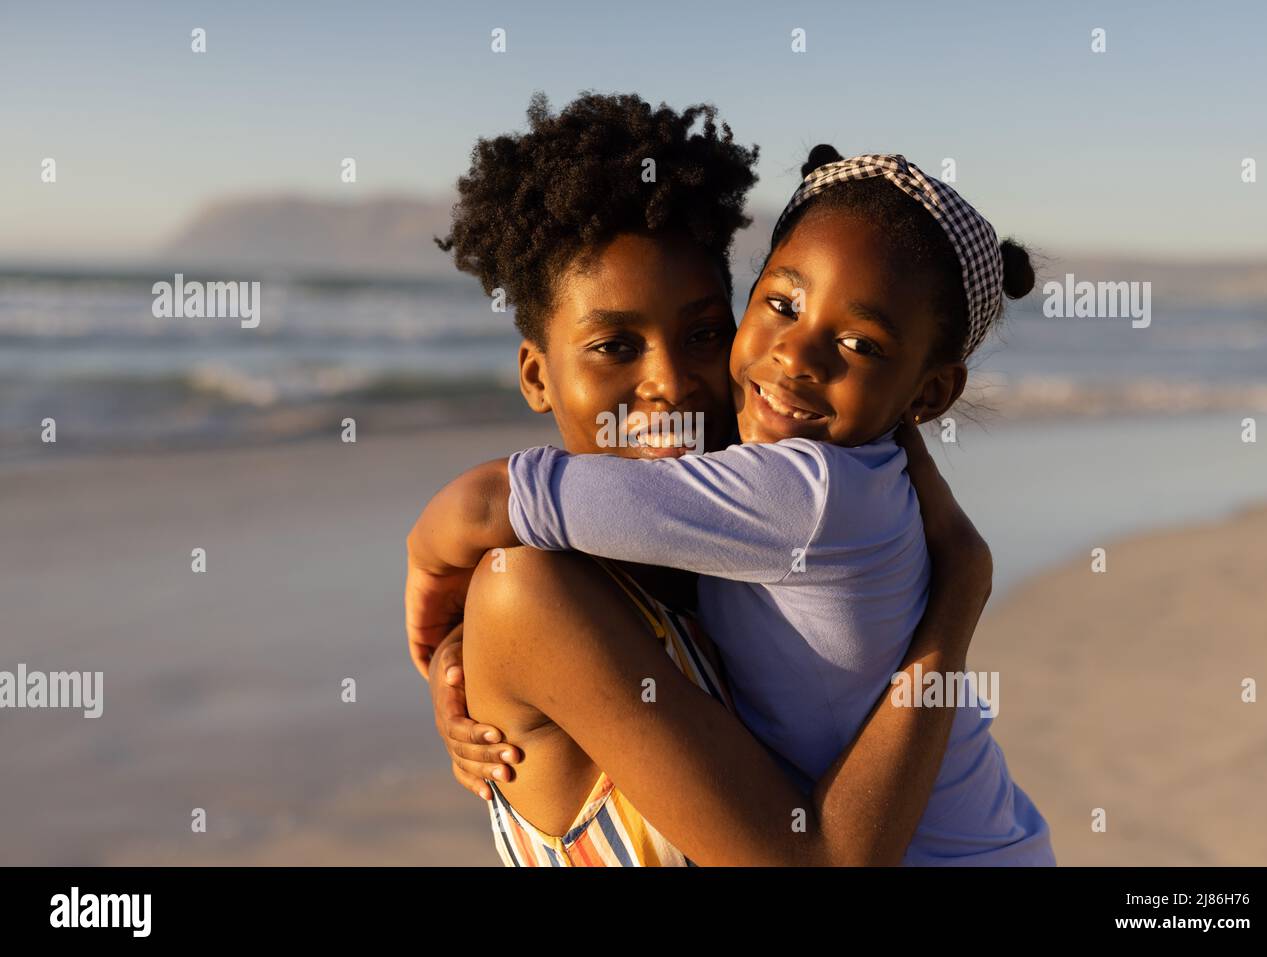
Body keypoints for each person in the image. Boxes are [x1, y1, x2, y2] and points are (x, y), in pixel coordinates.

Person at [409, 95, 995, 865]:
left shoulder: (740, 556)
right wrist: (955, 605)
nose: (671, 384)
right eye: (615, 344)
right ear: (536, 373)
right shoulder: (529, 592)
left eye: (704, 334)